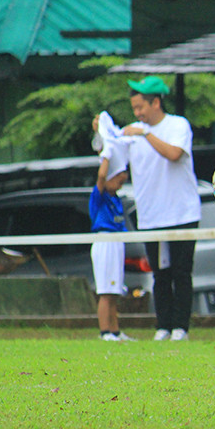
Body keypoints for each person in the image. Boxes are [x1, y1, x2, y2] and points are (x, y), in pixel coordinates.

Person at [120, 76, 201, 341]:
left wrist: (146, 133)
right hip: (151, 216)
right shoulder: (133, 131)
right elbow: (108, 152)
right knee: (160, 275)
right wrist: (102, 133)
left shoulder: (178, 125)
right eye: (134, 108)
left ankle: (181, 328)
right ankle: (163, 326)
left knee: (181, 272)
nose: (137, 113)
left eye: (140, 107)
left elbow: (174, 154)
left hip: (182, 213)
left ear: (156, 102)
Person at [90, 141, 133, 342]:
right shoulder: (99, 197)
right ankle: (104, 332)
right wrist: (106, 153)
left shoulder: (117, 199)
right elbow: (101, 176)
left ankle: (115, 331)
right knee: (106, 290)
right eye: (115, 178)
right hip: (104, 242)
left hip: (117, 242)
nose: (119, 182)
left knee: (115, 291)